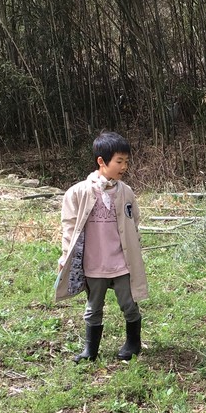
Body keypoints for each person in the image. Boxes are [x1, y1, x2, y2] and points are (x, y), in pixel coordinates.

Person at [54, 131, 148, 362]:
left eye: (126, 161)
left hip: (122, 262)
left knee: (129, 303)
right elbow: (69, 228)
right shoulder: (78, 192)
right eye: (119, 161)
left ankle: (133, 343)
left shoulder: (125, 192)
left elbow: (133, 221)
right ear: (101, 161)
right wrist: (65, 256)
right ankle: (90, 350)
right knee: (93, 307)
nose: (124, 166)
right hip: (94, 263)